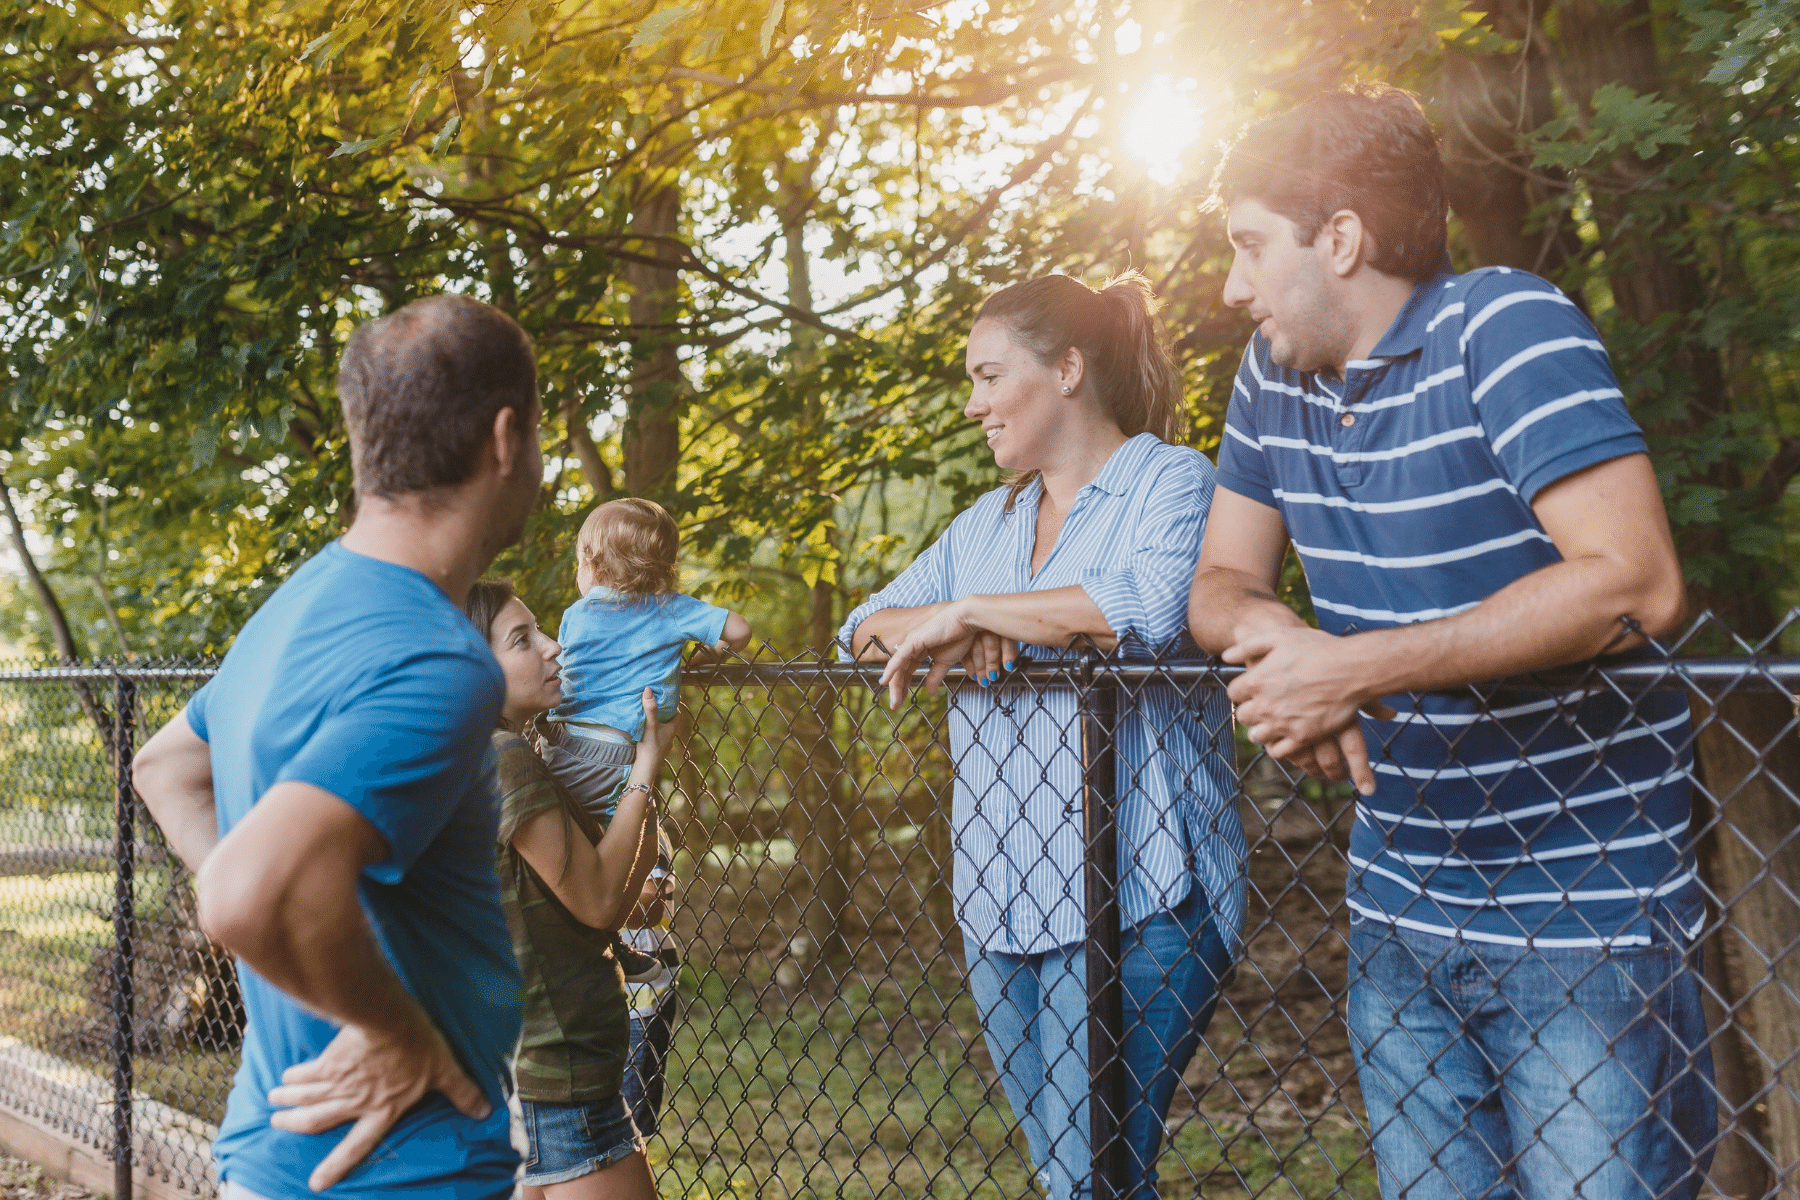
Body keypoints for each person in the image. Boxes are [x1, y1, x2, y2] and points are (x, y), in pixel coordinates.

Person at [1187, 85, 1715, 1200]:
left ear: (1341, 239)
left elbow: (1637, 582)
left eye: (1248, 247)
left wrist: (1353, 666)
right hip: (1397, 914)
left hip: (1585, 922)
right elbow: (1220, 583)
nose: (1233, 287)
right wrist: (1281, 639)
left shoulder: (1505, 325)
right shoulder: (1271, 380)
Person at [839, 272, 1245, 1200]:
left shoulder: (1169, 480)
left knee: (1087, 1178)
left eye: (988, 376)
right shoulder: (989, 522)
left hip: (1143, 891)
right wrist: (960, 619)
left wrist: (983, 613)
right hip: (1000, 899)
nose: (974, 405)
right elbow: (861, 626)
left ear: (1067, 369)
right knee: (1081, 1176)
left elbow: (1144, 607)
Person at [129, 295, 542, 1199]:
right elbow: (246, 892)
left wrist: (282, 934)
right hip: (406, 1172)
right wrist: (396, 1035)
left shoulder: (292, 609)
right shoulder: (445, 659)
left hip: (267, 1154)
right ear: (506, 439)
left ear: (368, 441)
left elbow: (164, 769)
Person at [458, 579, 672, 1200]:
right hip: (559, 1075)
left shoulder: (481, 753)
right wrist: (644, 769)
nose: (553, 648)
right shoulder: (504, 758)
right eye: (523, 640)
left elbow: (606, 897)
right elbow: (601, 901)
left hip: (517, 1069)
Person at [540, 497, 747, 990]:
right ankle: (607, 938)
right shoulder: (669, 610)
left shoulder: (575, 615)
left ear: (590, 565)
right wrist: (705, 648)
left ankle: (567, 939)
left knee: (566, 848)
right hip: (615, 754)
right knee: (638, 841)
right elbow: (739, 630)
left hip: (558, 743)